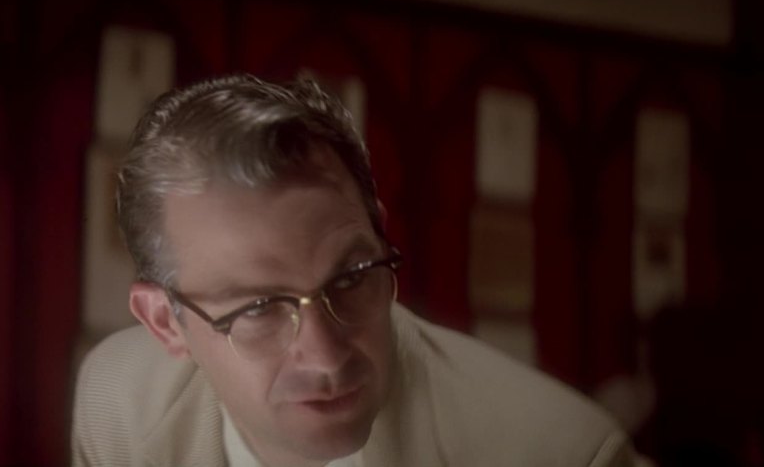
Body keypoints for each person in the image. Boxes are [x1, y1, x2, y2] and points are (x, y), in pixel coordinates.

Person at [72, 74, 637, 466]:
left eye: (351, 277)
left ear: (379, 235)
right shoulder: (114, 403)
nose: (326, 357)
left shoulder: (561, 453)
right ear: (164, 322)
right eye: (260, 307)